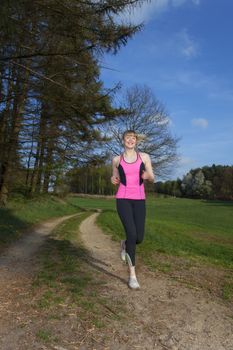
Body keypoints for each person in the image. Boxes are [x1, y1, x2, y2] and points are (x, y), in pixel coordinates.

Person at [111, 130, 154, 290]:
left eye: (133, 138)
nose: (131, 140)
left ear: (136, 141)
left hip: (140, 199)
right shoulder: (116, 159)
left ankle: (124, 244)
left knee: (139, 238)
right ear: (123, 140)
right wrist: (112, 179)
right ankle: (132, 276)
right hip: (122, 199)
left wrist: (147, 176)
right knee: (131, 234)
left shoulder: (144, 157)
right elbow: (114, 176)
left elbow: (152, 176)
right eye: (128, 137)